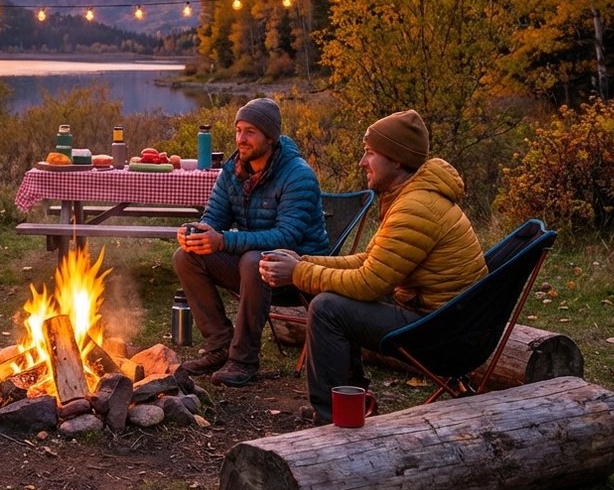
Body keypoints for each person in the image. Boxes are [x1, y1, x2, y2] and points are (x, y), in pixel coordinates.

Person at [259, 110, 486, 424]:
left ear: (396, 159)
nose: (362, 162)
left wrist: (297, 274)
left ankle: (332, 416)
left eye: (370, 154)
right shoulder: (411, 196)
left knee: (328, 308)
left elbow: (369, 283)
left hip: (444, 335)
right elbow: (369, 260)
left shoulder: (415, 208)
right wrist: (305, 261)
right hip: (447, 319)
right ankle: (350, 401)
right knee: (332, 297)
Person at [173, 98, 330, 387]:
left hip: (298, 271)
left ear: (270, 138)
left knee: (254, 260)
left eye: (250, 132)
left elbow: (286, 237)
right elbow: (214, 217)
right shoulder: (233, 170)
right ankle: (220, 345)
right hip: (254, 268)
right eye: (238, 130)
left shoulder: (298, 175)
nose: (240, 139)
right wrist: (195, 231)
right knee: (186, 255)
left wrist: (224, 242)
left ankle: (243, 359)